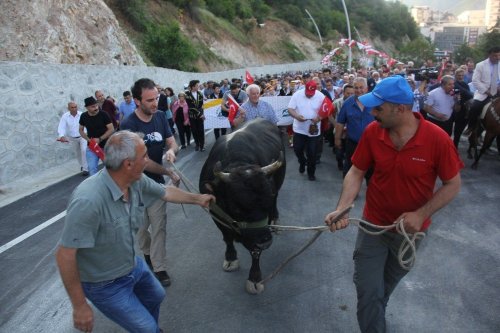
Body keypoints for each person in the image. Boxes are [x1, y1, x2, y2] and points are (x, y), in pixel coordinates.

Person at [324, 75, 463, 333]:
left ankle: (374, 315)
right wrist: (343, 206)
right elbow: (356, 172)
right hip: (372, 226)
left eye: (379, 108)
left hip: (411, 233)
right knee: (368, 291)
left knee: (382, 291)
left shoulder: (438, 139)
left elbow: (453, 184)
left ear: (400, 109)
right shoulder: (372, 132)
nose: (372, 112)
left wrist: (421, 214)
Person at [55, 130, 214, 333]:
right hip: (103, 284)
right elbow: (65, 255)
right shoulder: (88, 200)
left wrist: (198, 199)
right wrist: (79, 306)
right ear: (128, 164)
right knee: (146, 328)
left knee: (156, 296)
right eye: (144, 156)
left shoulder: (135, 181)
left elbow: (165, 191)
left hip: (131, 266)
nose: (148, 160)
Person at [120, 78, 180, 287]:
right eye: (149, 100)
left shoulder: (161, 116)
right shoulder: (128, 125)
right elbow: (141, 163)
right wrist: (168, 172)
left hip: (155, 186)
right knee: (141, 229)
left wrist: (171, 151)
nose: (155, 103)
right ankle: (147, 254)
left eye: (156, 98)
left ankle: (159, 266)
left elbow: (171, 140)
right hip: (134, 187)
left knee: (159, 226)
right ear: (137, 101)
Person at [335, 77, 374, 178]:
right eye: (356, 88)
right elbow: (340, 122)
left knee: (371, 172)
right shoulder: (347, 103)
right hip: (352, 143)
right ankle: (349, 193)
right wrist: (337, 139)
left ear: (367, 88)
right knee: (349, 170)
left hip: (371, 144)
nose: (359, 90)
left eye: (361, 87)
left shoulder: (375, 102)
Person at [287, 80, 326, 181]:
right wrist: (296, 116)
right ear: (305, 88)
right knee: (297, 149)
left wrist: (319, 118)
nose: (309, 96)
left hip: (314, 129)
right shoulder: (297, 95)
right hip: (299, 129)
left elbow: (327, 110)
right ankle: (302, 161)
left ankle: (311, 172)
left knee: (312, 153)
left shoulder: (321, 96)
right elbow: (290, 109)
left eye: (311, 94)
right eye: (307, 94)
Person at [466, 46, 500, 133]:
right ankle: (471, 127)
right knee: (475, 107)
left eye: (499, 56)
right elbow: (475, 80)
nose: (497, 58)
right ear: (489, 55)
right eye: (495, 56)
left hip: (498, 91)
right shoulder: (480, 65)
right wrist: (486, 91)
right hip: (484, 93)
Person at [79, 96, 114, 175]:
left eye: (96, 105)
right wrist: (88, 140)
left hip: (105, 146)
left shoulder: (104, 114)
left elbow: (111, 129)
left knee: (110, 169)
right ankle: (95, 186)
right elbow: (80, 130)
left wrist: (100, 139)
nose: (96, 108)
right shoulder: (84, 116)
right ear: (87, 108)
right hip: (92, 147)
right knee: (92, 169)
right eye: (93, 107)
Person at [57, 101, 88, 176]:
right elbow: (62, 126)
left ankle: (85, 169)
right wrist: (61, 136)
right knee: (78, 153)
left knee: (84, 150)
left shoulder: (82, 115)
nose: (74, 109)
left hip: (82, 136)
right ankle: (82, 165)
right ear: (68, 108)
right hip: (72, 138)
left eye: (75, 107)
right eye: (72, 107)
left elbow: (87, 124)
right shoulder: (65, 116)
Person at [452, 69, 474, 148]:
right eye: (459, 75)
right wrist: (469, 94)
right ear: (455, 76)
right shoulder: (454, 83)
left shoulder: (465, 84)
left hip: (463, 109)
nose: (460, 77)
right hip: (454, 109)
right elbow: (467, 94)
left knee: (459, 131)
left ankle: (455, 146)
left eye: (462, 75)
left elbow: (468, 95)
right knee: (453, 130)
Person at [185, 80, 206, 151]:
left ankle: (202, 145)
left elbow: (201, 105)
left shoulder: (200, 93)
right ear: (193, 86)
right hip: (193, 116)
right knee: (194, 131)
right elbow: (191, 107)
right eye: (197, 85)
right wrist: (200, 114)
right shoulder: (187, 94)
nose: (199, 86)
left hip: (200, 116)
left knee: (201, 130)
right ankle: (197, 144)